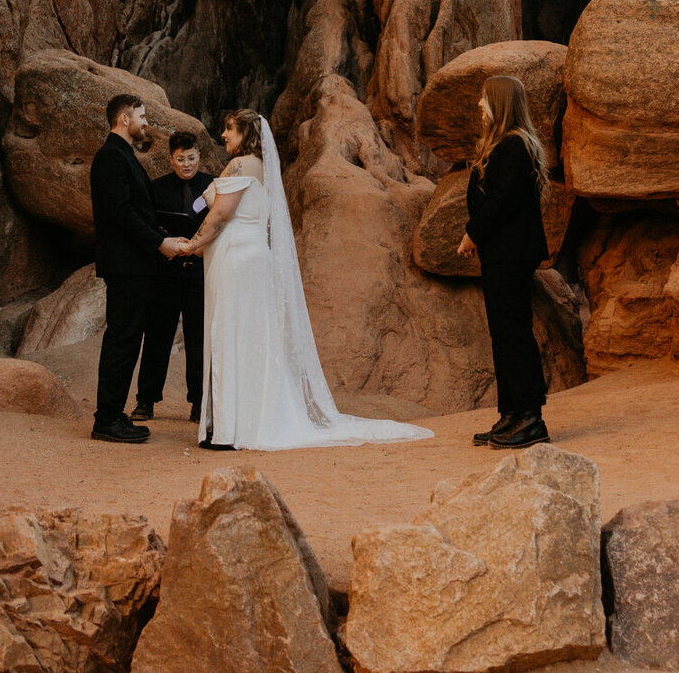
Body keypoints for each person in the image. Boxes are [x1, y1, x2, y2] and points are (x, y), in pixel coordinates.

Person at [178, 107, 432, 451]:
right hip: (247, 254)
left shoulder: (242, 165)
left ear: (246, 134)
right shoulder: (259, 167)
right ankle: (236, 422)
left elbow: (221, 214)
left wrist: (192, 245)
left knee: (233, 332)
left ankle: (231, 427)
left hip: (238, 255)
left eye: (229, 129)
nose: (224, 135)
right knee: (248, 334)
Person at [456, 74, 550, 449]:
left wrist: (471, 234)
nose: (480, 105)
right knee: (504, 334)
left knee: (513, 334)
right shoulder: (506, 145)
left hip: (511, 253)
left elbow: (501, 201)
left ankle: (530, 418)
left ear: (501, 102)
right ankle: (511, 415)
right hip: (503, 253)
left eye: (484, 98)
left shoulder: (514, 146)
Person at [89, 95, 190, 443]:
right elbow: (121, 214)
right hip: (125, 264)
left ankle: (114, 413)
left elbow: (135, 212)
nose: (146, 122)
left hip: (133, 263)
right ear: (123, 118)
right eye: (142, 116)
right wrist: (158, 243)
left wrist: (162, 235)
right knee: (122, 338)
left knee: (129, 338)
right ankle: (106, 419)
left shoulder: (123, 156)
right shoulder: (110, 158)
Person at [132, 130, 213, 424]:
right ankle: (145, 400)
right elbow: (147, 225)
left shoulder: (212, 185)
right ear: (170, 158)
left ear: (199, 156)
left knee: (198, 338)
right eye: (180, 159)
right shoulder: (157, 188)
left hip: (200, 272)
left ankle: (199, 402)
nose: (187, 164)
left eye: (191, 158)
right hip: (165, 272)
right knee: (157, 336)